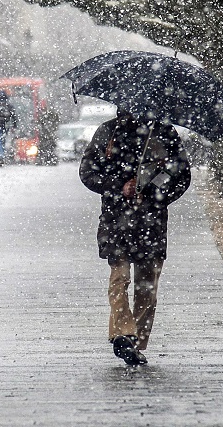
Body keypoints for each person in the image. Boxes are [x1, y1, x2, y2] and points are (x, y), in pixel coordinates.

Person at [79, 108, 191, 366]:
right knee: (120, 278)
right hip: (116, 220)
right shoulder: (108, 132)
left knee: (147, 285)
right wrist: (120, 186)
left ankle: (136, 342)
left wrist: (154, 192)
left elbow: (181, 175)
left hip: (151, 223)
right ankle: (123, 332)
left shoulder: (164, 132)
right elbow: (88, 173)